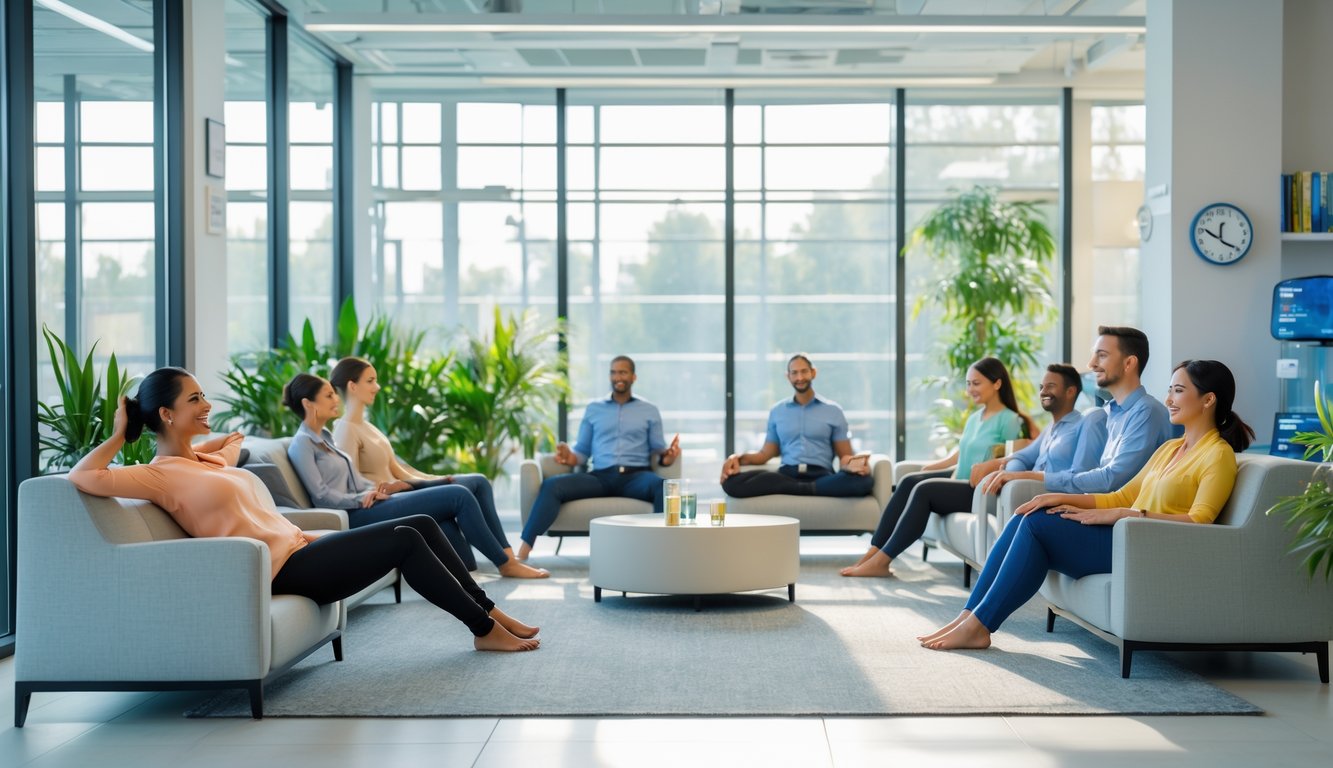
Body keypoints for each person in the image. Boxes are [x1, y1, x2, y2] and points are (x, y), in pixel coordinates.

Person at [68, 367, 541, 652]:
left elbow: (235, 442)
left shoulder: (204, 464)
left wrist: (200, 447)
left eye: (204, 395)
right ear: (165, 414)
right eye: (195, 399)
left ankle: (489, 613)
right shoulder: (157, 474)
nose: (207, 404)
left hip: (303, 549)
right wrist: (121, 434)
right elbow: (84, 476)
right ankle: (483, 629)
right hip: (279, 570)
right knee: (407, 539)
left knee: (417, 521)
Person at [919, 359, 1252, 651]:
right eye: (1169, 390)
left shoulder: (1218, 455)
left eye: (1178, 391)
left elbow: (1200, 522)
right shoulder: (1171, 449)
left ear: (1208, 399)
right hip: (1124, 536)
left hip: (1146, 547)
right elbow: (1122, 496)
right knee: (1029, 515)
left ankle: (978, 626)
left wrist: (1129, 515)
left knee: (1037, 524)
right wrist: (1059, 496)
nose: (1168, 399)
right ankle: (970, 616)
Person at [285, 373, 549, 579]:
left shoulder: (326, 437)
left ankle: (468, 567)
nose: (336, 399)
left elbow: (353, 480)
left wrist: (377, 489)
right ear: (308, 403)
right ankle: (506, 563)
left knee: (460, 551)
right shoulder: (302, 444)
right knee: (458, 495)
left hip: (369, 502)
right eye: (328, 395)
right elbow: (321, 496)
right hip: (355, 514)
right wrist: (359, 498)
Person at [841, 357, 1034, 578]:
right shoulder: (975, 417)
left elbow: (1017, 458)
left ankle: (882, 562)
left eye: (976, 383)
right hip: (961, 480)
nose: (970, 389)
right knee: (909, 480)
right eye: (968, 383)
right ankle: (873, 552)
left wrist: (993, 464)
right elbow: (962, 451)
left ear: (997, 383)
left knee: (924, 491)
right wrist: (934, 467)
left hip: (979, 491)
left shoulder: (1010, 420)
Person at [329, 356, 511, 568]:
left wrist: (431, 481)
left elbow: (398, 469)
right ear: (352, 386)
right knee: (459, 494)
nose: (377, 387)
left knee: (476, 490)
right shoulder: (345, 429)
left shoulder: (368, 427)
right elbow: (349, 483)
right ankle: (506, 563)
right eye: (370, 381)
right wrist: (393, 489)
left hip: (397, 495)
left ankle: (507, 555)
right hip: (376, 506)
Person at [518, 354, 681, 561]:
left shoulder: (649, 410)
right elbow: (582, 452)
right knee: (552, 485)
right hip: (601, 476)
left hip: (636, 477)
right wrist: (569, 457)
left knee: (664, 487)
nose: (617, 377)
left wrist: (668, 458)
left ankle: (662, 552)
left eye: (623, 372)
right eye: (613, 372)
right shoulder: (594, 409)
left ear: (633, 377)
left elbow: (658, 451)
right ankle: (523, 552)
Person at [718, 353, 874, 499]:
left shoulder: (834, 411)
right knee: (731, 483)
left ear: (813, 373)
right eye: (794, 373)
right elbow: (765, 454)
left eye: (804, 371)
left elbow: (845, 457)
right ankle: (809, 489)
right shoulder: (777, 411)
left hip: (821, 475)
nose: (800, 377)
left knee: (864, 482)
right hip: (786, 476)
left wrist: (855, 466)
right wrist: (737, 458)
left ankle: (797, 489)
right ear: (788, 377)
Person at [968, 363, 1108, 496]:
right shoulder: (1049, 428)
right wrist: (1011, 473)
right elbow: (1022, 456)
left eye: (1050, 386)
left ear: (1070, 391)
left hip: (1055, 498)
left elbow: (1080, 478)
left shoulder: (1085, 423)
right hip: (1026, 493)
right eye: (1041, 387)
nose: (1043, 392)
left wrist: (1019, 476)